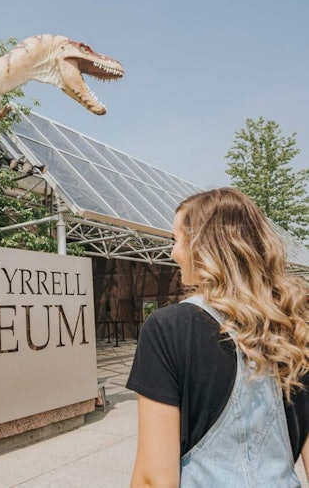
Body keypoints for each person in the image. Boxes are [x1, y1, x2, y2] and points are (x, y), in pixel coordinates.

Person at [127, 187, 309, 487]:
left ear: (203, 249)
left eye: (177, 241)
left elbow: (154, 479)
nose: (173, 253)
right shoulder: (295, 327)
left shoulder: (168, 328)